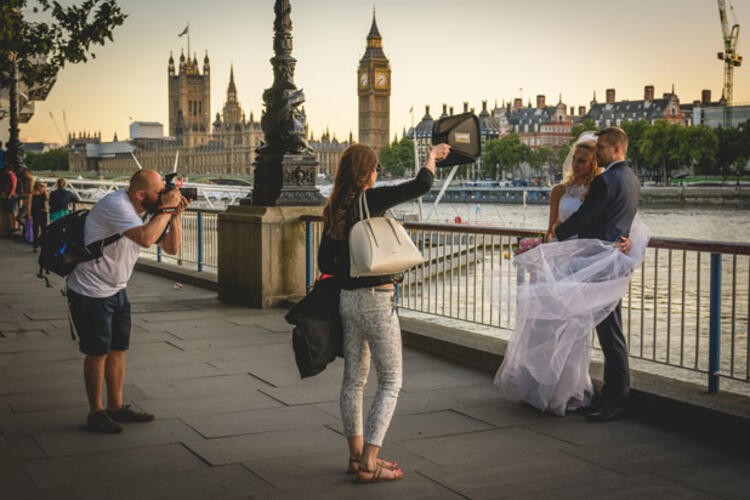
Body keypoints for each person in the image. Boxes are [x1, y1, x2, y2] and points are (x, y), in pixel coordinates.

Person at [318, 142, 450, 483]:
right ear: (368, 172)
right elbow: (420, 185)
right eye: (375, 168)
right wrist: (432, 158)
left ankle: (356, 455)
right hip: (377, 299)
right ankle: (370, 462)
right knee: (390, 381)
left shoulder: (333, 208)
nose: (378, 174)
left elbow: (323, 263)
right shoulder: (369, 200)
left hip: (348, 301)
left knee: (354, 381)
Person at [66, 169, 188, 433]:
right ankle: (96, 412)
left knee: (118, 348)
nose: (164, 195)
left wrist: (174, 215)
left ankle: (116, 406)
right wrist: (165, 210)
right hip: (90, 290)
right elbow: (145, 238)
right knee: (97, 352)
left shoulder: (148, 209)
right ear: (140, 194)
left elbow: (171, 249)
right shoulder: (117, 205)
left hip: (117, 289)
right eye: (159, 192)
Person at [555, 126, 642, 421]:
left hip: (599, 264)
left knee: (609, 334)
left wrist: (560, 231)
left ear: (616, 148)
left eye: (603, 147)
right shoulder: (631, 179)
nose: (599, 152)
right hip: (614, 263)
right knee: (609, 331)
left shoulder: (605, 180)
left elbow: (585, 218)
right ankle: (608, 396)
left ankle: (615, 400)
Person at [30, 181, 49, 252]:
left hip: (43, 212)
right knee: (36, 229)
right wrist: (29, 214)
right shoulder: (33, 193)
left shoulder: (43, 193)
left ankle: (39, 243)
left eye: (42, 186)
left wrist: (45, 189)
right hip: (35, 212)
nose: (41, 187)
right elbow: (30, 204)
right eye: (40, 186)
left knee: (44, 229)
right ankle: (35, 244)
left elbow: (47, 198)